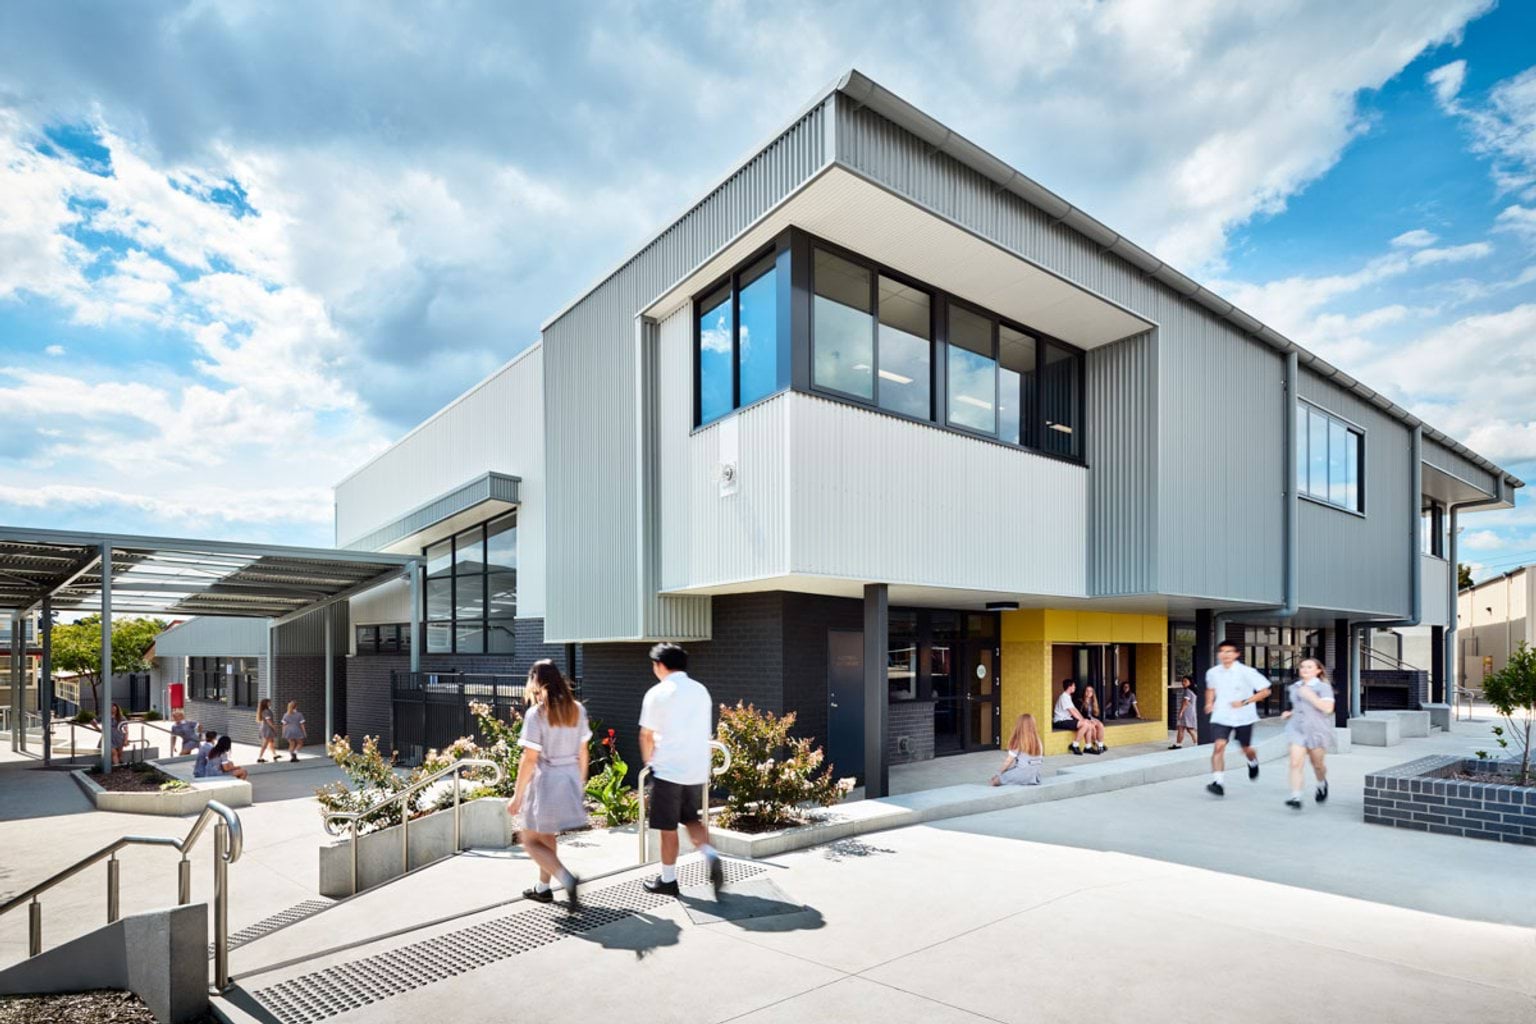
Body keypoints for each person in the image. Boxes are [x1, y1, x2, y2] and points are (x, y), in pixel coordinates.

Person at [639, 643, 723, 896]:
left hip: (668, 769)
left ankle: (668, 880)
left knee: (668, 827)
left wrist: (649, 763)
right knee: (690, 819)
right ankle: (710, 855)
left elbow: (646, 735)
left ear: (660, 665)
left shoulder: (657, 693)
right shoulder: (701, 690)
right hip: (696, 768)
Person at [507, 660, 590, 911]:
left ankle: (566, 879)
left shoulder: (537, 714)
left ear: (536, 682)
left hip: (546, 783)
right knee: (546, 835)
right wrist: (579, 784)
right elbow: (583, 751)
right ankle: (543, 889)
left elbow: (529, 758)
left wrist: (517, 796)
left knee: (529, 840)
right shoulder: (577, 710)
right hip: (568, 780)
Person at [1204, 640, 1272, 797]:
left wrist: (1244, 702)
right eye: (1222, 651)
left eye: (1229, 651)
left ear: (1236, 654)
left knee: (1245, 748)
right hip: (1221, 715)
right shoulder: (1213, 672)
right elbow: (1210, 689)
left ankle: (1252, 761)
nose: (1225, 654)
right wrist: (1209, 703)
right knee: (1219, 746)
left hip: (1244, 716)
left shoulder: (1247, 672)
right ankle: (1218, 783)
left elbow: (1265, 691)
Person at [1280, 657, 1336, 809]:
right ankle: (1296, 797)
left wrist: (1310, 695)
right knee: (1295, 763)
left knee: (1317, 765)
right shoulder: (1294, 687)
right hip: (1296, 729)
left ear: (1318, 670)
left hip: (1317, 730)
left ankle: (1321, 782)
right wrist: (1290, 713)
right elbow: (1299, 707)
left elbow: (1328, 709)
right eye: (1302, 667)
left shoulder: (1323, 687)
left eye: (1309, 667)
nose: (1305, 669)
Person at [990, 713, 1044, 786]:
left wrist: (998, 773)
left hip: (1022, 773)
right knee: (1011, 771)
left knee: (995, 780)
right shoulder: (1038, 740)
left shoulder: (1018, 740)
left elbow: (1008, 761)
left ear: (1019, 726)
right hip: (1035, 775)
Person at [1052, 680, 1103, 755]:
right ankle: (1074, 745)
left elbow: (1075, 710)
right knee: (1085, 724)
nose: (1075, 687)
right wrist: (1083, 721)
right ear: (1069, 687)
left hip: (1067, 719)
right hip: (1060, 721)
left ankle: (1088, 747)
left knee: (1088, 723)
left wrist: (1083, 719)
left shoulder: (1067, 696)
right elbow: (1072, 712)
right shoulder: (1063, 697)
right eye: (1074, 686)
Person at [1170, 675, 1198, 749]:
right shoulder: (1192, 690)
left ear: (1190, 682)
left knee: (1188, 729)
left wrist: (1181, 712)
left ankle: (1196, 743)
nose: (1183, 683)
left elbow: (1185, 702)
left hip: (1186, 712)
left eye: (1185, 681)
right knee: (1182, 728)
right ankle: (1179, 744)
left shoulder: (1187, 691)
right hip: (1190, 711)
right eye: (1182, 681)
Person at [1080, 685, 1109, 753]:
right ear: (1084, 692)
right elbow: (1081, 714)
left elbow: (1096, 714)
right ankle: (1096, 743)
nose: (1089, 692)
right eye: (1087, 691)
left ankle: (1100, 745)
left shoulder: (1093, 701)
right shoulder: (1080, 701)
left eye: (1091, 691)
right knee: (1092, 726)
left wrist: (1095, 720)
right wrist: (1090, 720)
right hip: (1085, 719)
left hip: (1092, 718)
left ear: (1093, 693)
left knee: (1100, 725)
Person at [256, 698, 278, 763]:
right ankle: (260, 757)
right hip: (267, 729)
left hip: (267, 728)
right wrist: (274, 727)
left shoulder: (266, 710)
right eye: (269, 702)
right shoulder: (266, 711)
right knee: (265, 744)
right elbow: (268, 721)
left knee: (271, 742)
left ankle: (274, 755)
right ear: (266, 704)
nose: (270, 703)